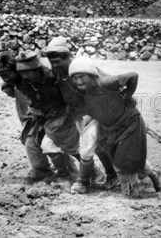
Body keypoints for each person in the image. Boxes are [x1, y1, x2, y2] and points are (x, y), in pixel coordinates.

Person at [68, 57, 160, 198]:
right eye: (75, 78)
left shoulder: (105, 82)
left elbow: (133, 76)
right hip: (107, 125)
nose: (78, 81)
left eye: (82, 76)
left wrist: (127, 96)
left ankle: (150, 177)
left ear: (91, 75)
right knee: (90, 151)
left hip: (128, 124)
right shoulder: (81, 89)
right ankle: (84, 182)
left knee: (126, 161)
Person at [44, 36, 118, 194]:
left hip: (95, 112)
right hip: (76, 115)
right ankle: (94, 174)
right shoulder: (58, 72)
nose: (54, 65)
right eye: (52, 62)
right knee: (76, 144)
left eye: (58, 62)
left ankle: (107, 176)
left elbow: (105, 82)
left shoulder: (81, 68)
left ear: (67, 57)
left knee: (97, 146)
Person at [15, 50, 80, 184]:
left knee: (69, 148)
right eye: (22, 73)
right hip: (43, 119)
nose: (24, 76)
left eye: (27, 72)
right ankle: (55, 173)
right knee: (38, 144)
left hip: (61, 117)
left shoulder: (53, 78)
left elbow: (68, 98)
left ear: (37, 69)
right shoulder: (27, 83)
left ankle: (77, 173)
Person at [0, 53, 53, 184]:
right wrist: (8, 86)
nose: (6, 79)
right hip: (28, 118)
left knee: (33, 144)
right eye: (2, 76)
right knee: (39, 144)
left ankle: (44, 172)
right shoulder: (15, 83)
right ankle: (60, 170)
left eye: (7, 75)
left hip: (37, 117)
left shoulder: (28, 82)